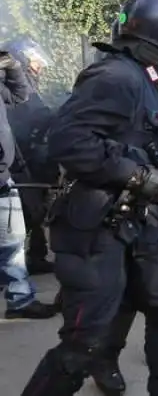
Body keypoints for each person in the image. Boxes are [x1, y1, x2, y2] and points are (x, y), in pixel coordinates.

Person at [21, 0, 158, 396]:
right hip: (98, 227)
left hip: (139, 224)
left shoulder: (150, 78)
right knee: (82, 345)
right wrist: (137, 175)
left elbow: (154, 137)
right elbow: (68, 140)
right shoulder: (116, 76)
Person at [0, 47, 56, 320]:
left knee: (12, 237)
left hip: (4, 173)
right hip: (7, 169)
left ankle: (19, 299)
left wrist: (12, 69)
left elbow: (20, 96)